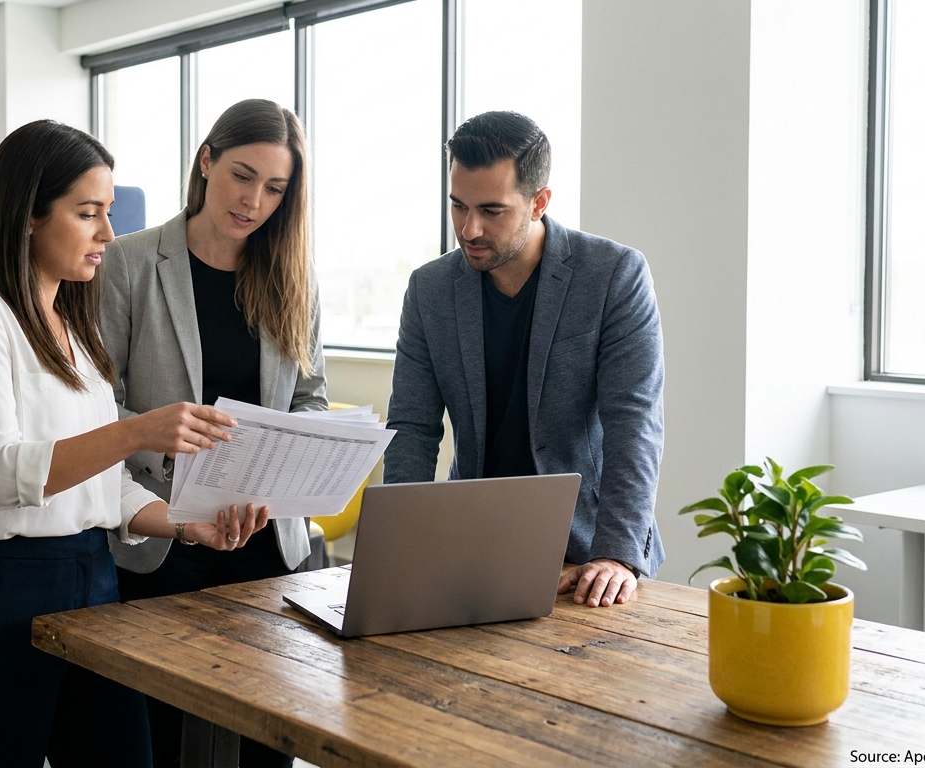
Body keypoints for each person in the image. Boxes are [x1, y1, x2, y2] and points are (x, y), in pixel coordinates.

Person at [0, 120, 270, 768]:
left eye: (107, 212)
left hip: (92, 579)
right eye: (88, 213)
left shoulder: (73, 329)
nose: (107, 233)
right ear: (27, 214)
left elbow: (103, 487)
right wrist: (136, 430)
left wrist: (191, 526)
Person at [99, 98, 325, 768]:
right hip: (164, 543)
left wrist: (285, 457)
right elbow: (95, 408)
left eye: (275, 188)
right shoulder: (129, 264)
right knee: (167, 744)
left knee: (267, 744)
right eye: (242, 175)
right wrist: (158, 438)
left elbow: (309, 399)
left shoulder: (293, 277)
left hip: (268, 546)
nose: (254, 200)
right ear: (207, 161)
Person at [384, 110, 665, 608]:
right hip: (468, 547)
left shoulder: (613, 275)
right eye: (457, 205)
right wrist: (397, 547)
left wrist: (618, 555)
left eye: (492, 211)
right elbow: (413, 426)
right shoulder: (429, 290)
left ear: (539, 203)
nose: (468, 229)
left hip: (586, 557)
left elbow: (634, 423)